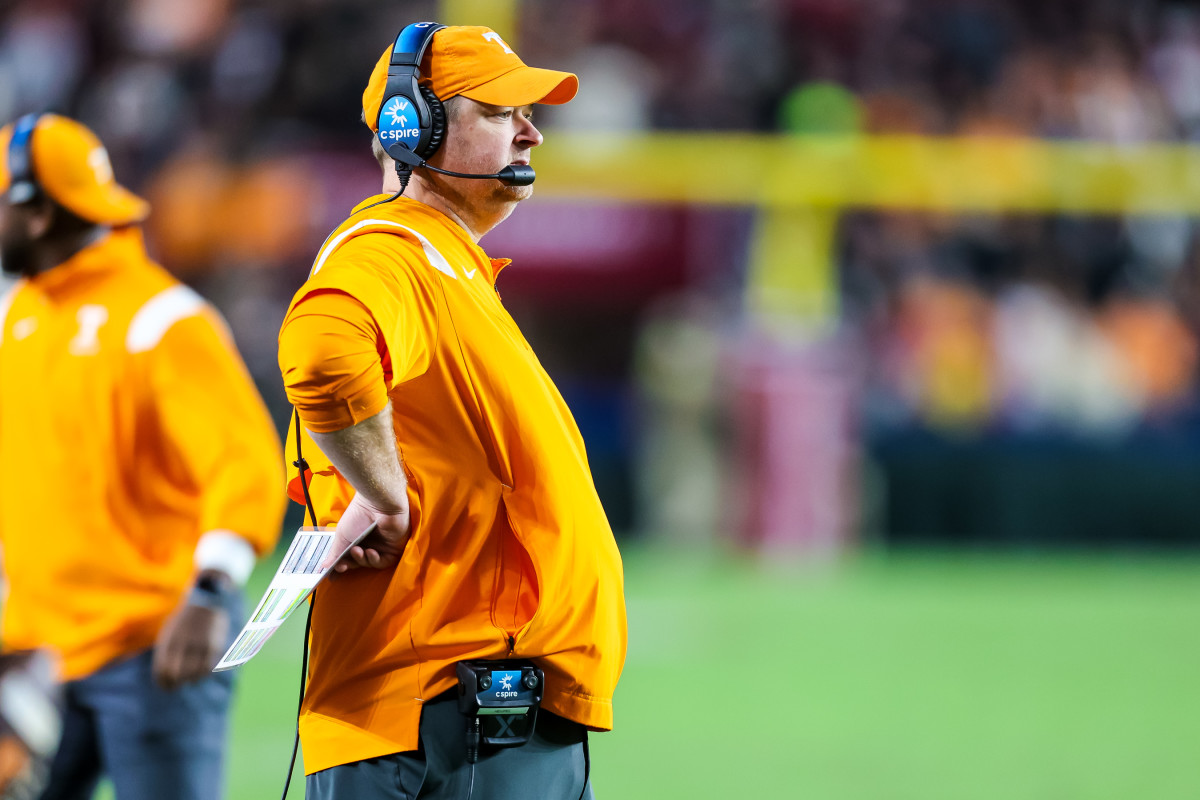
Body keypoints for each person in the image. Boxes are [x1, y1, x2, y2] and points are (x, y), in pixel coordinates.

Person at [276, 23, 627, 799]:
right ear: (413, 127)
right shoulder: (389, 248)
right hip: (448, 710)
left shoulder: (446, 263)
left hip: (471, 712)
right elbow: (324, 354)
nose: (532, 131)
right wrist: (381, 494)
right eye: (502, 111)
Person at [0, 114, 285, 800]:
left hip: (153, 645)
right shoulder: (22, 315)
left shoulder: (162, 320)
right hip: (38, 650)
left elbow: (244, 462)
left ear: (34, 213)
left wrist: (213, 587)